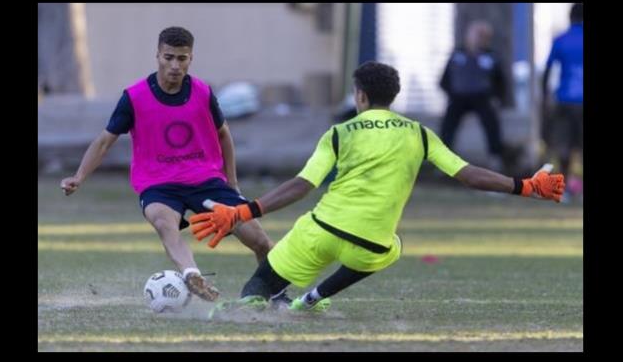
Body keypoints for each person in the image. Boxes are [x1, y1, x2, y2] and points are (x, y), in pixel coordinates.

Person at [188, 61, 565, 315]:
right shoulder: (418, 133)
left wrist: (243, 211)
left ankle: (248, 308)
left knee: (260, 283)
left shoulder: (339, 133)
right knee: (393, 247)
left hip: (321, 232)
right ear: (393, 97)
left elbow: (301, 186)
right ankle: (310, 301)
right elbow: (468, 175)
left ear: (360, 96)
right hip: (371, 245)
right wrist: (525, 186)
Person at [60, 26, 278, 303]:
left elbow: (224, 134)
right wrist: (79, 176)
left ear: (191, 59)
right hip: (158, 183)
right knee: (165, 223)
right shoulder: (134, 97)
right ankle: (191, 274)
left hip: (206, 180)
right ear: (158, 56)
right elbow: (104, 141)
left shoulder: (202, 92)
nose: (175, 65)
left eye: (182, 58)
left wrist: (231, 182)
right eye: (169, 57)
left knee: (259, 240)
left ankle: (275, 294)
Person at [439, 20, 509, 172]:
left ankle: (495, 158)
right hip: (459, 97)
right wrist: (451, 93)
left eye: (484, 36)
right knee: (448, 123)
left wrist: (497, 99)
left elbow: (500, 82)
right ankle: (442, 159)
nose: (480, 39)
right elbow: (444, 80)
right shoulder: (457, 54)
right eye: (477, 35)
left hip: (482, 97)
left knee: (491, 121)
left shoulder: (491, 57)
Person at [542, 3, 583, 197]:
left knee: (564, 146)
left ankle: (564, 190)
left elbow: (548, 70)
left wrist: (545, 96)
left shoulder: (561, 40)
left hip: (565, 99)